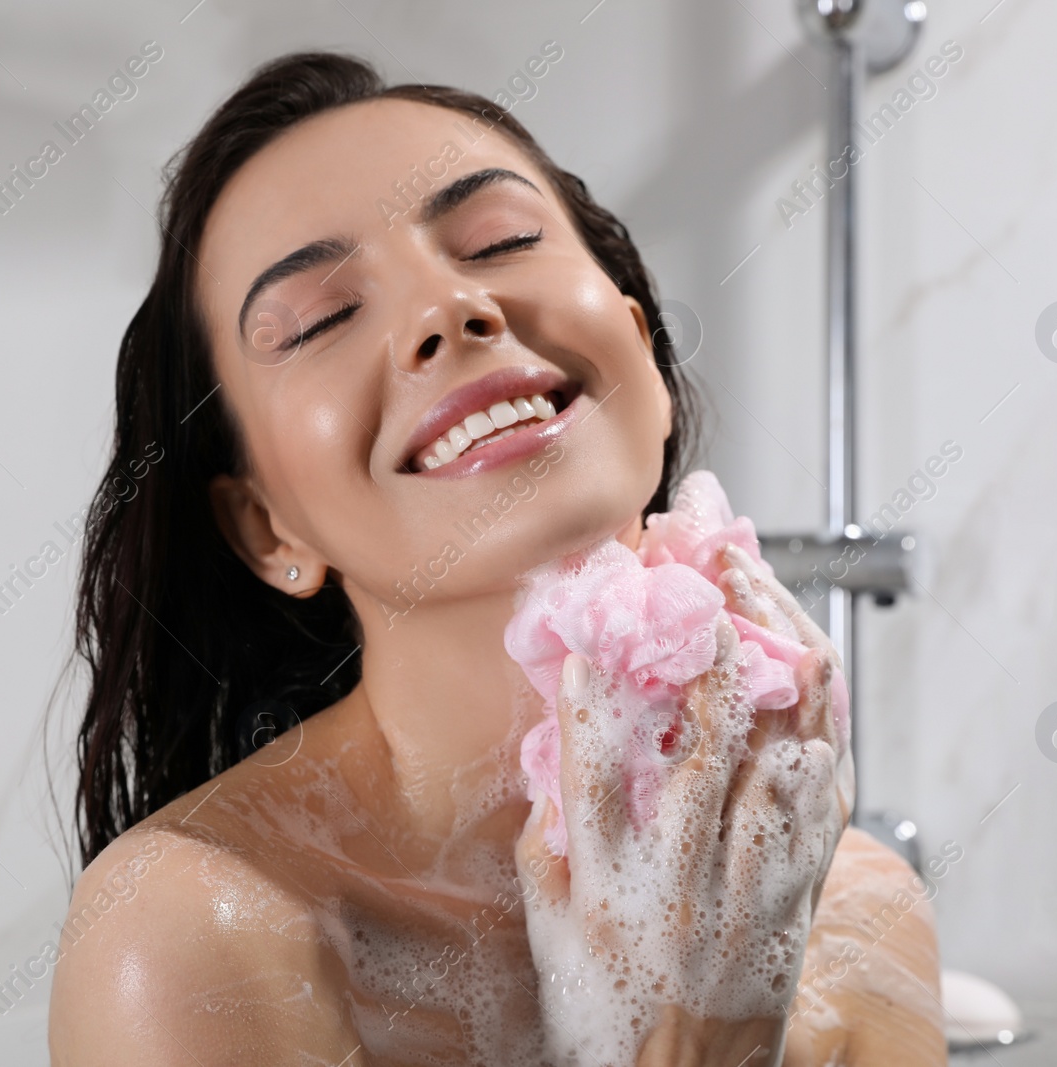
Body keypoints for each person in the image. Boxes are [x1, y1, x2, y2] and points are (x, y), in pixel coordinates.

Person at [46, 51, 944, 1066]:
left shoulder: (853, 912)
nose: (447, 309)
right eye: (323, 317)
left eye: (502, 239)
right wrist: (693, 1028)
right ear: (267, 526)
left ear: (644, 357)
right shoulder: (193, 933)